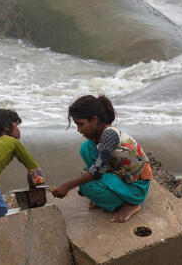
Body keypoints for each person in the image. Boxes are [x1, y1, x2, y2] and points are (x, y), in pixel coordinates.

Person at [50, 94, 151, 223]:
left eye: (81, 124)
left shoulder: (109, 135)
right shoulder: (98, 136)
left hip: (136, 185)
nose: (78, 129)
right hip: (121, 174)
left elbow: (97, 171)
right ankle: (108, 194)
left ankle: (129, 204)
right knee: (86, 148)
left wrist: (68, 185)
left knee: (87, 186)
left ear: (94, 120)